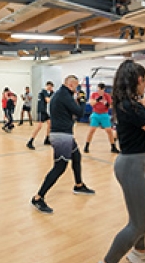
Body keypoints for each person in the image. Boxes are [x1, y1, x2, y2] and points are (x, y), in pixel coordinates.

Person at [101, 60, 145, 263]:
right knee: (138, 224)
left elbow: (139, 121)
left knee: (144, 212)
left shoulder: (126, 104)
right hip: (131, 167)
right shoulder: (130, 106)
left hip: (135, 165)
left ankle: (140, 252)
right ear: (139, 79)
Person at [31, 75, 94, 214]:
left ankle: (78, 185)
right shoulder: (63, 95)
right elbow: (80, 112)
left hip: (65, 134)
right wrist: (82, 99)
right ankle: (38, 197)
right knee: (59, 167)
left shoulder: (61, 94)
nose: (77, 89)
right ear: (71, 85)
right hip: (61, 136)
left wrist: (77, 100)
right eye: (76, 87)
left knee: (76, 156)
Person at [84, 83, 120, 154]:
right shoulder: (94, 94)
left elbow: (110, 106)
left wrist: (106, 103)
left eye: (100, 89)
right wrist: (97, 100)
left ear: (103, 89)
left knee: (109, 131)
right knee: (92, 130)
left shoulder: (107, 96)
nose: (99, 91)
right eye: (98, 89)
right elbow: (91, 103)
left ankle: (113, 147)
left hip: (104, 115)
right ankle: (86, 146)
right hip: (95, 114)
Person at [26, 81, 54, 150]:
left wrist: (53, 94)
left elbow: (48, 98)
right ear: (47, 86)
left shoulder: (45, 92)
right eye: (49, 87)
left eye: (51, 87)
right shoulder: (44, 91)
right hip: (41, 111)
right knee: (39, 126)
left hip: (45, 111)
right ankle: (30, 141)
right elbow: (47, 100)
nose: (50, 88)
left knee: (50, 124)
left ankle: (47, 139)